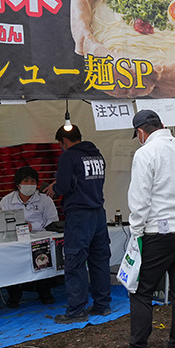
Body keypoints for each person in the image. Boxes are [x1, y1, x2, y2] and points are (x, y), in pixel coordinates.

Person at [103, 110, 175, 348]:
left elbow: (139, 199)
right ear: (161, 125)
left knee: (141, 291)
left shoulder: (146, 153)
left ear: (140, 132)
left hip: (157, 233)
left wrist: (136, 234)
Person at [50, 124, 110, 323]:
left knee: (75, 261)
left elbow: (65, 186)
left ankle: (76, 310)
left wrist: (55, 188)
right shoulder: (97, 156)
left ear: (64, 142)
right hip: (98, 213)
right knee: (99, 260)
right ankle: (102, 305)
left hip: (79, 215)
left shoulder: (69, 157)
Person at [0, 166, 59, 308]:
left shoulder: (45, 200)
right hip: (15, 240)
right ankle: (14, 294)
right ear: (18, 184)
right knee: (10, 261)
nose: (29, 184)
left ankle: (44, 291)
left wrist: (33, 226)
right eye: (26, 181)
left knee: (44, 258)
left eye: (33, 181)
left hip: (39, 238)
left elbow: (52, 220)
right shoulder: (7, 200)